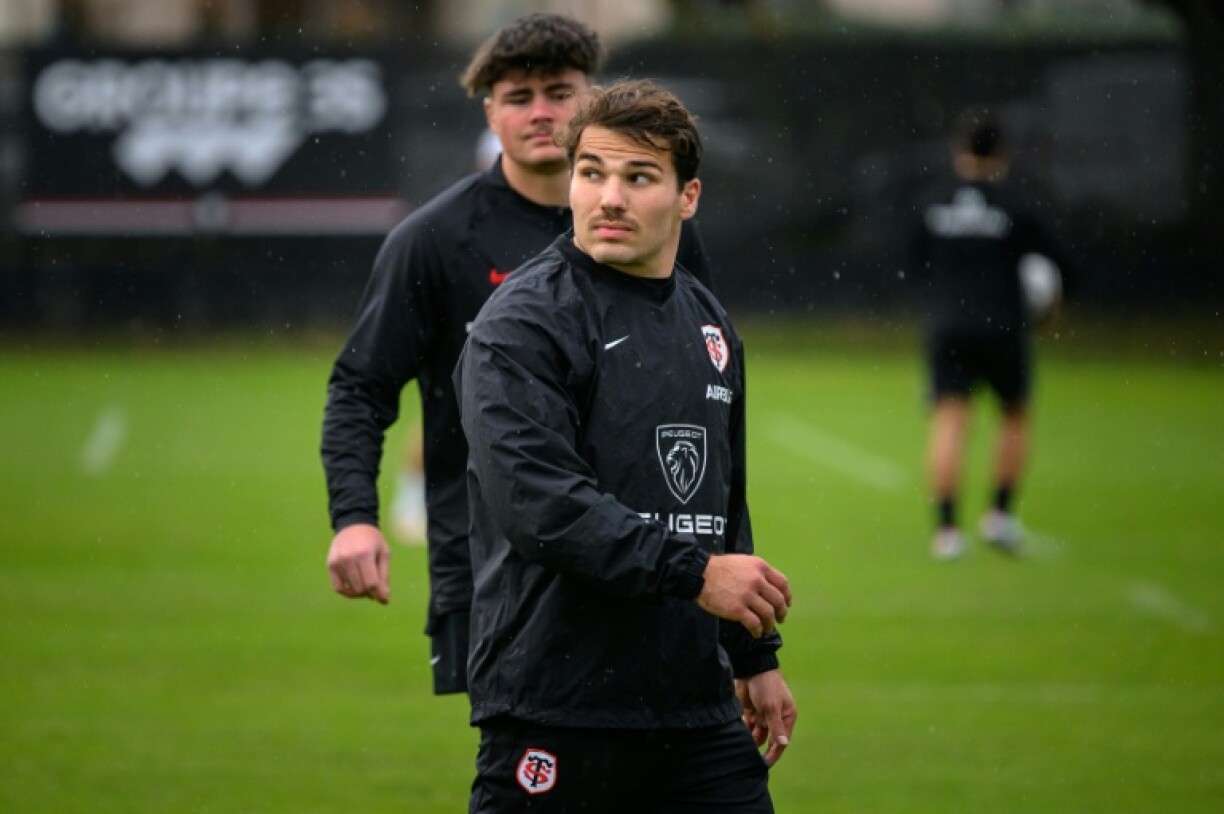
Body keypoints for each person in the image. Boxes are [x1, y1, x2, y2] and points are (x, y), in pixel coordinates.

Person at [320, 13, 715, 696]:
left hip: (650, 559)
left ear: (590, 100)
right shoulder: (434, 240)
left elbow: (702, 389)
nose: (540, 113)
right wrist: (355, 517)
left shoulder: (652, 225)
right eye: (518, 97)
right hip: (493, 569)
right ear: (490, 113)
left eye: (559, 93)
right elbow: (361, 386)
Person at [456, 79, 795, 813]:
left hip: (695, 708)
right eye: (591, 173)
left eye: (638, 177)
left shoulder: (708, 322)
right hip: (559, 704)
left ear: (687, 196)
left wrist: (752, 654)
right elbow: (541, 506)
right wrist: (694, 573)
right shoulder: (523, 323)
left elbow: (720, 503)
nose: (609, 198)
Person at [908, 106, 1073, 561]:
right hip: (1003, 325)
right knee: (1014, 414)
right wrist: (1052, 308)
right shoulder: (1016, 205)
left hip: (948, 326)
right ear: (1003, 153)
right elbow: (1063, 263)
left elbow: (912, 263)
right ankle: (999, 516)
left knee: (949, 420)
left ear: (959, 149)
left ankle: (947, 532)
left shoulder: (933, 202)